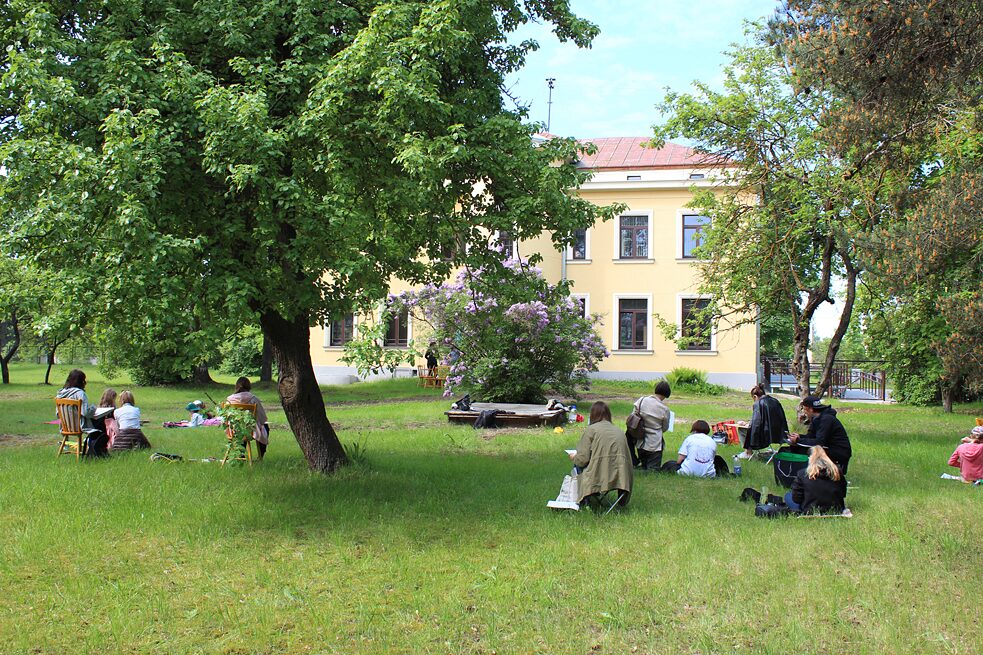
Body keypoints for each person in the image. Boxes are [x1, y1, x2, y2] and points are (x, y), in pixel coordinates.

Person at [569, 401, 633, 507]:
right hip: (621, 477)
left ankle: (585, 500)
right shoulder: (619, 431)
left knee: (577, 465)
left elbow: (582, 460)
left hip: (599, 476)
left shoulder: (591, 430)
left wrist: (574, 457)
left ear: (592, 415)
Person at [788, 395, 852, 476]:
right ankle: (801, 475)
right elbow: (811, 436)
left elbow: (819, 442)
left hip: (839, 452)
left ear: (811, 409)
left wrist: (798, 441)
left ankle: (806, 475)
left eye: (805, 410)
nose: (804, 413)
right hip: (828, 447)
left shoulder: (826, 419)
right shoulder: (817, 419)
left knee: (804, 450)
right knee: (796, 447)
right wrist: (799, 437)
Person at [56, 369, 107, 457]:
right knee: (100, 422)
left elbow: (58, 414)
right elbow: (86, 412)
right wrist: (94, 408)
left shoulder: (60, 394)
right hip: (79, 425)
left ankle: (95, 450)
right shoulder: (80, 394)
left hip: (66, 426)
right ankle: (96, 451)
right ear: (82, 381)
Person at [785, 445, 847, 514]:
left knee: (788, 496)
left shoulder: (802, 474)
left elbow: (796, 499)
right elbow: (843, 493)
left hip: (810, 509)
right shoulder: (837, 472)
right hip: (836, 508)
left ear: (810, 458)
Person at [739, 384, 789, 459]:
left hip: (764, 434)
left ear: (755, 397)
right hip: (778, 433)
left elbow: (756, 423)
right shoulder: (775, 401)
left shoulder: (758, 404)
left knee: (741, 429)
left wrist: (747, 424)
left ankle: (748, 452)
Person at [227, 377, 270, 459]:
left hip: (234, 430)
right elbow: (262, 417)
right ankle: (261, 455)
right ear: (249, 386)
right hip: (251, 430)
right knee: (265, 428)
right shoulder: (253, 399)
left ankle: (240, 455)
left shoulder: (229, 400)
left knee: (240, 429)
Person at [632, 380, 672, 470]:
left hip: (639, 439)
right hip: (654, 443)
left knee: (644, 466)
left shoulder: (641, 400)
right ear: (667, 394)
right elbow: (665, 428)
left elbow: (633, 416)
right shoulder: (664, 409)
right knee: (653, 469)